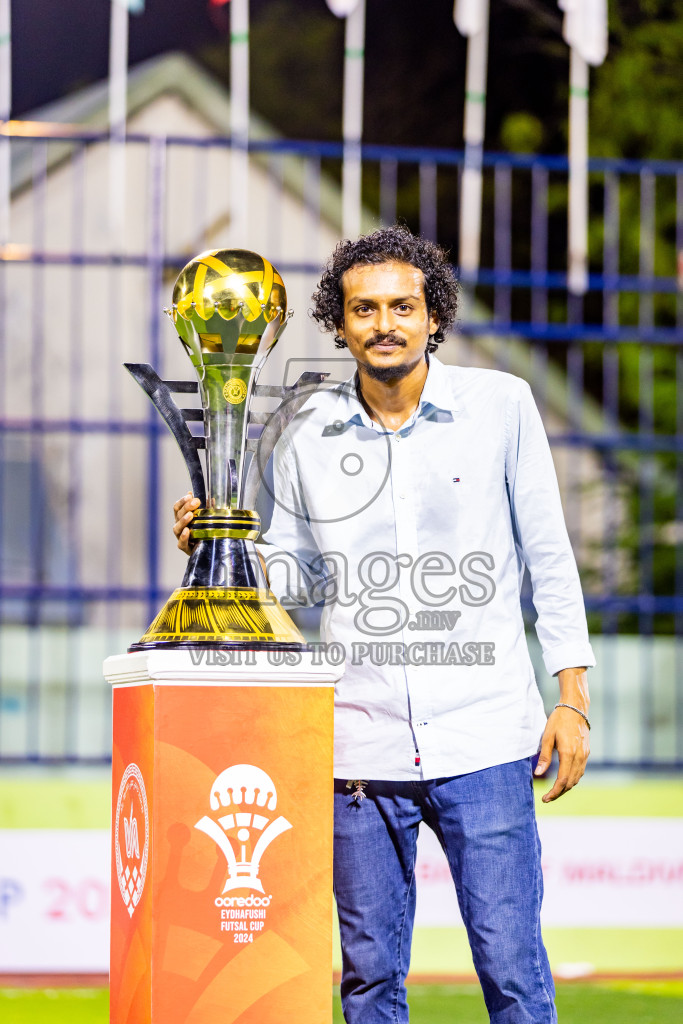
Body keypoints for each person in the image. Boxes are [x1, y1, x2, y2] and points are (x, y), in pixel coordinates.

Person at [173, 226, 594, 1024]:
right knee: (367, 980)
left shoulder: (500, 406)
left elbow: (549, 558)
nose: (384, 323)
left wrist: (569, 698)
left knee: (511, 968)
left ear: (433, 315)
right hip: (357, 747)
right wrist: (227, 544)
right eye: (363, 309)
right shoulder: (304, 428)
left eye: (403, 305)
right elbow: (296, 577)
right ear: (339, 324)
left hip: (485, 741)